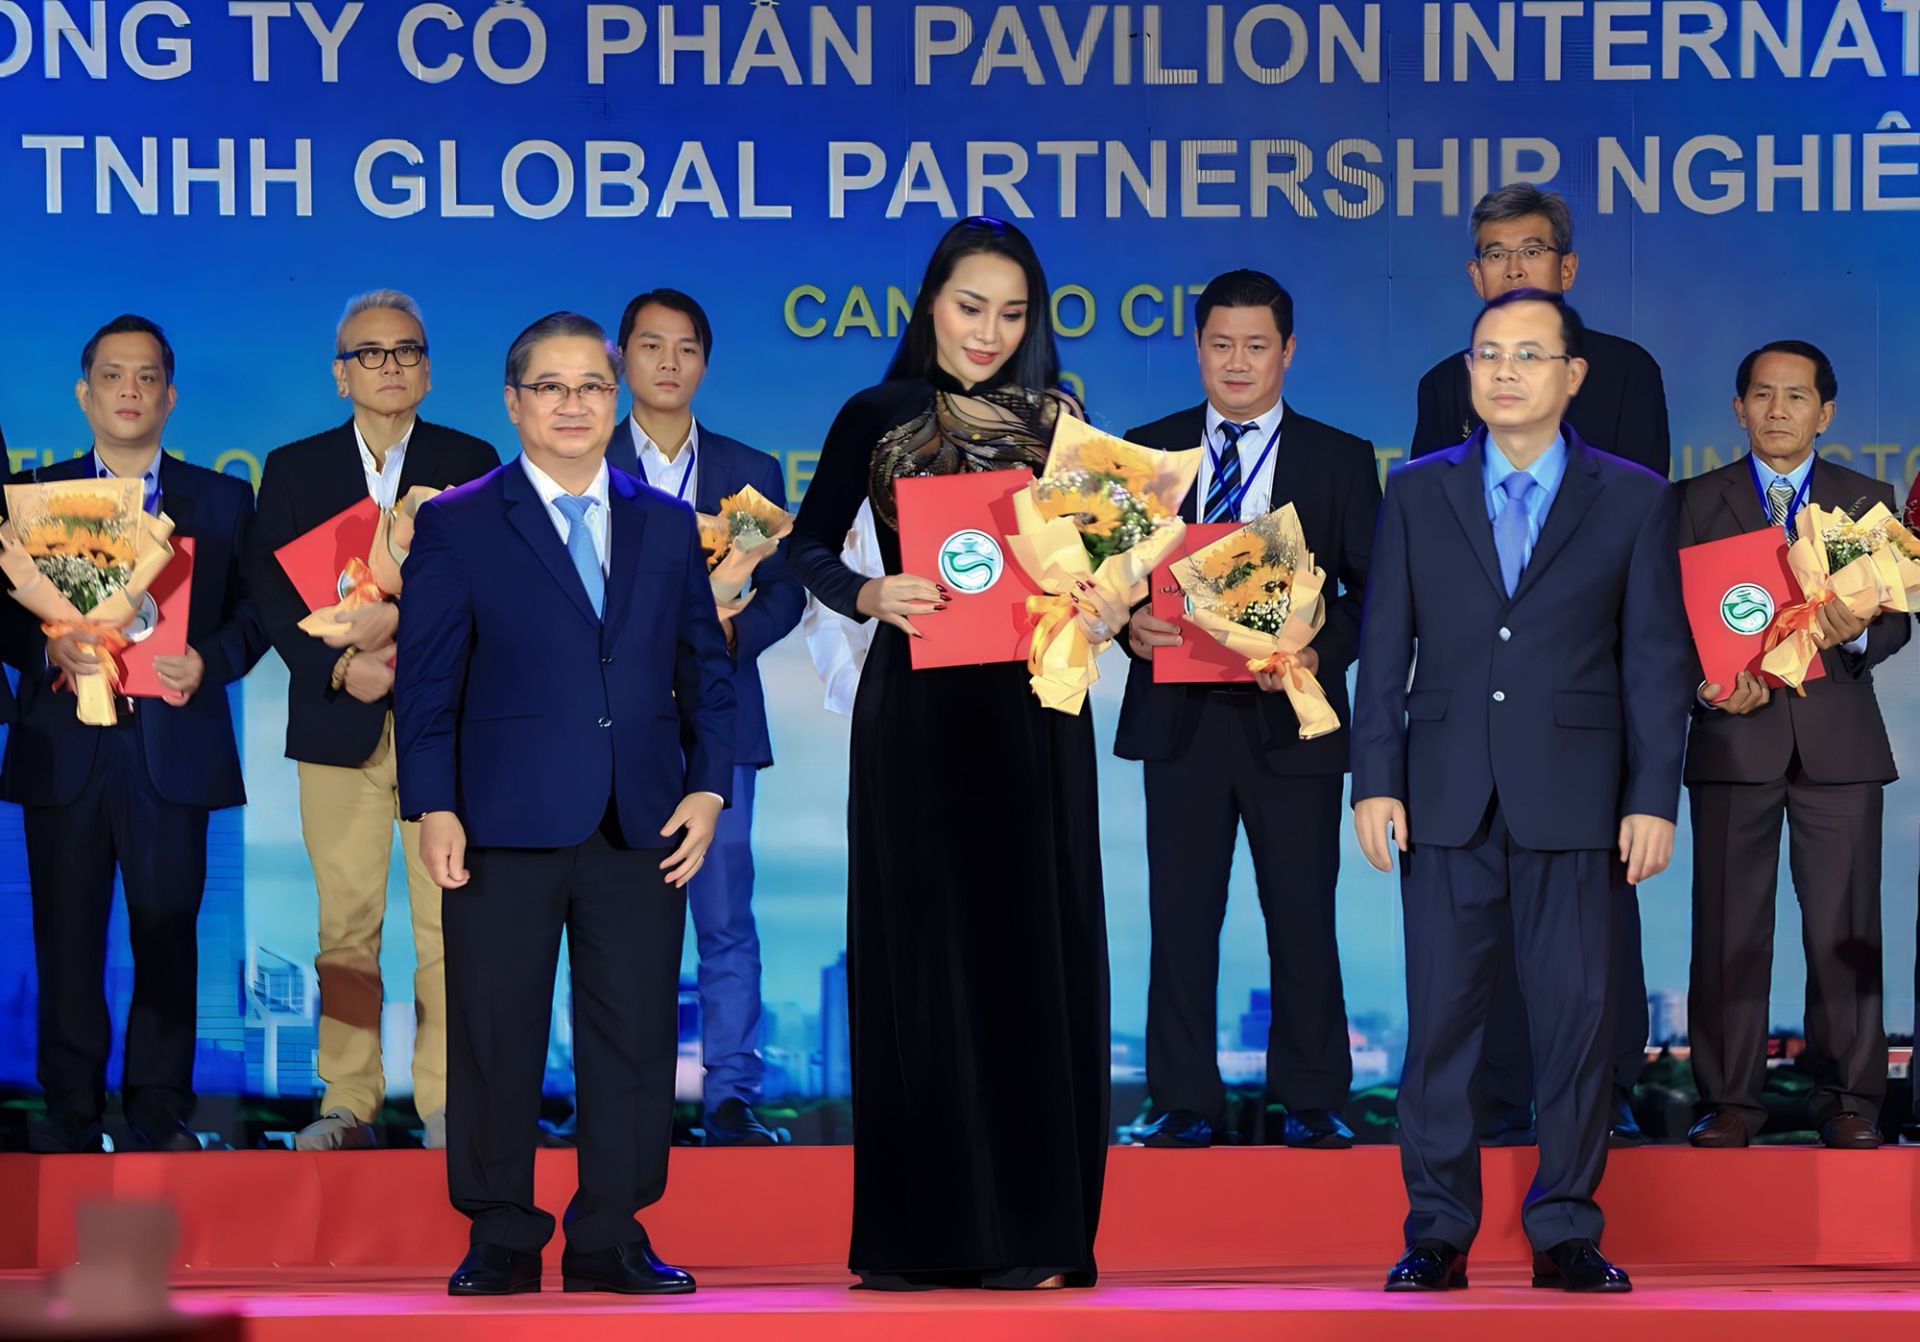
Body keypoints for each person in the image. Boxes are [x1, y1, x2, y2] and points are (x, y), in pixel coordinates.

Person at [788, 216, 1108, 1290]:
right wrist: (870, 592)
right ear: (930, 302)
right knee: (921, 965)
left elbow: (1105, 559)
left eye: (1013, 312)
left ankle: (1040, 1234)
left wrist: (1111, 592)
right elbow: (803, 546)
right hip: (916, 712)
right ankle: (920, 1237)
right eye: (972, 305)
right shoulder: (872, 413)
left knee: (1036, 957)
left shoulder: (1067, 421)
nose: (990, 330)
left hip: (1034, 710)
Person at [1352, 290, 1691, 1294]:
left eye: (1529, 355)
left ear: (1572, 375)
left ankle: (1567, 1229)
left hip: (1582, 798)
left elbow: (1656, 663)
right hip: (1444, 791)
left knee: (1577, 1020)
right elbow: (1382, 650)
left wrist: (1652, 795)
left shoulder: (1631, 496)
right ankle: (1438, 1230)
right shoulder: (1414, 491)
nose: (1504, 371)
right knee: (1441, 1024)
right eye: (1488, 353)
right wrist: (1375, 779)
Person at [395, 312, 733, 1297]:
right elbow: (425, 684)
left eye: (592, 384)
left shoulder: (668, 523)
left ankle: (610, 1235)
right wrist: (435, 805)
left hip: (644, 820)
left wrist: (709, 786)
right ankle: (501, 1235)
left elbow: (705, 670)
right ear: (513, 403)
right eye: (551, 386)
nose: (574, 403)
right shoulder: (458, 522)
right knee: (495, 1031)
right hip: (499, 819)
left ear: (616, 394)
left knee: (632, 1037)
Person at [1412, 185, 1670, 1145]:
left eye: (1531, 251)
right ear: (1473, 273)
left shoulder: (1625, 374)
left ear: (1567, 267)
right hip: (1475, 699)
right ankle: (1495, 1099)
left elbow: (1635, 526)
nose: (1512, 268)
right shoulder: (1449, 381)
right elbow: (1432, 543)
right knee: (1473, 943)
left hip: (1580, 693)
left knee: (1592, 933)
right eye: (1493, 253)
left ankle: (1609, 1089)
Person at [1117, 269, 1380, 1149]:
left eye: (1256, 346)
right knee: (1181, 915)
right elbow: (1102, 589)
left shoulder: (1339, 458)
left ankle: (1311, 1098)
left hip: (1288, 715)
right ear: (1197, 348)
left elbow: (1374, 594)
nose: (1237, 363)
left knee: (1302, 911)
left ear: (1288, 352)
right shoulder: (1146, 456)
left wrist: (1317, 649)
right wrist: (1128, 630)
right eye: (1221, 344)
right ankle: (1182, 1099)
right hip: (1180, 718)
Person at [1, 315, 268, 1153]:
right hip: (67, 750)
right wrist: (44, 640)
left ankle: (160, 1109)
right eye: (112, 375)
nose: (129, 390)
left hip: (170, 748)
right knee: (66, 937)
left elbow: (259, 612)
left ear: (169, 396)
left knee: (167, 932)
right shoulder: (35, 499)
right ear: (84, 393)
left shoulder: (220, 499)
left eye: (146, 377)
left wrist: (211, 662)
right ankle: (70, 1112)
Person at [249, 290, 498, 1152]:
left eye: (405, 351)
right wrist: (341, 666)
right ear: (340, 375)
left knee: (446, 919)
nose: (389, 367)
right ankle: (348, 1097)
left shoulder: (474, 461)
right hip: (336, 722)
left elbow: (490, 594)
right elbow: (273, 600)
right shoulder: (292, 468)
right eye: (370, 354)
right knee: (344, 921)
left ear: (427, 368)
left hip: (449, 726)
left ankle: (444, 1102)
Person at [1680, 341, 1906, 1150]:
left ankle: (1850, 1097)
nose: (1779, 411)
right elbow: (1666, 627)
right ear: (1738, 408)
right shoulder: (1691, 503)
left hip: (1839, 744)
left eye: (1797, 397)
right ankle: (1729, 1100)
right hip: (1733, 737)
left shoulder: (1863, 499)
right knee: (1728, 926)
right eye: (1763, 396)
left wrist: (1854, 640)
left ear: (1826, 412)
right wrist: (1704, 684)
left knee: (1847, 928)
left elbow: (1898, 620)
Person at [605, 288, 803, 1145]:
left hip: (719, 726)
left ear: (704, 364)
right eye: (651, 347)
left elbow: (788, 590)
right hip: (610, 730)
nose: (668, 364)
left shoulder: (749, 471)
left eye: (685, 349)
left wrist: (728, 633)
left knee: (726, 917)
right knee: (615, 923)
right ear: (621, 360)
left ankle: (731, 1095)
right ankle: (619, 1098)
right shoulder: (584, 459)